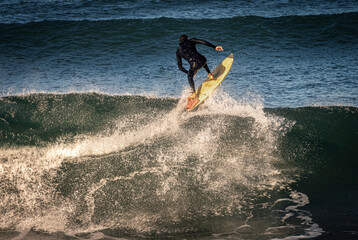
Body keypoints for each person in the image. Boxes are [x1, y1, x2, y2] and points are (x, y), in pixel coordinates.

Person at [176, 34, 223, 99]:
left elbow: (180, 67)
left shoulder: (178, 51)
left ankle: (193, 93)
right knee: (202, 59)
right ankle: (210, 74)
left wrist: (189, 73)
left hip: (194, 66)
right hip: (203, 61)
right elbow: (204, 42)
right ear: (186, 38)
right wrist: (214, 47)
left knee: (190, 77)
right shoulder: (191, 40)